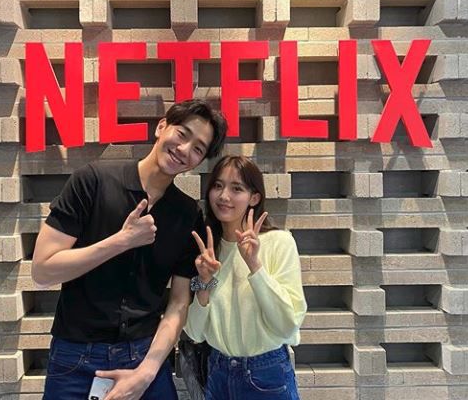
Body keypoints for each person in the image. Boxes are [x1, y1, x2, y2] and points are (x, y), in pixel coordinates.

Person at [32, 100, 227, 400]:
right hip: (75, 358)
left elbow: (178, 303)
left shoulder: (187, 214)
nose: (185, 149)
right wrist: (121, 241)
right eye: (182, 134)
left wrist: (146, 372)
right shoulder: (92, 181)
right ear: (161, 127)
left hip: (145, 356)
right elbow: (43, 270)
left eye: (198, 149)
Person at [184, 155, 307, 400]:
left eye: (236, 188)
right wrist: (203, 283)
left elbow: (288, 325)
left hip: (265, 374)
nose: (224, 196)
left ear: (254, 198)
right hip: (217, 372)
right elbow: (195, 332)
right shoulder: (207, 251)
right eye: (218, 186)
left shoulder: (278, 242)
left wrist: (255, 266)